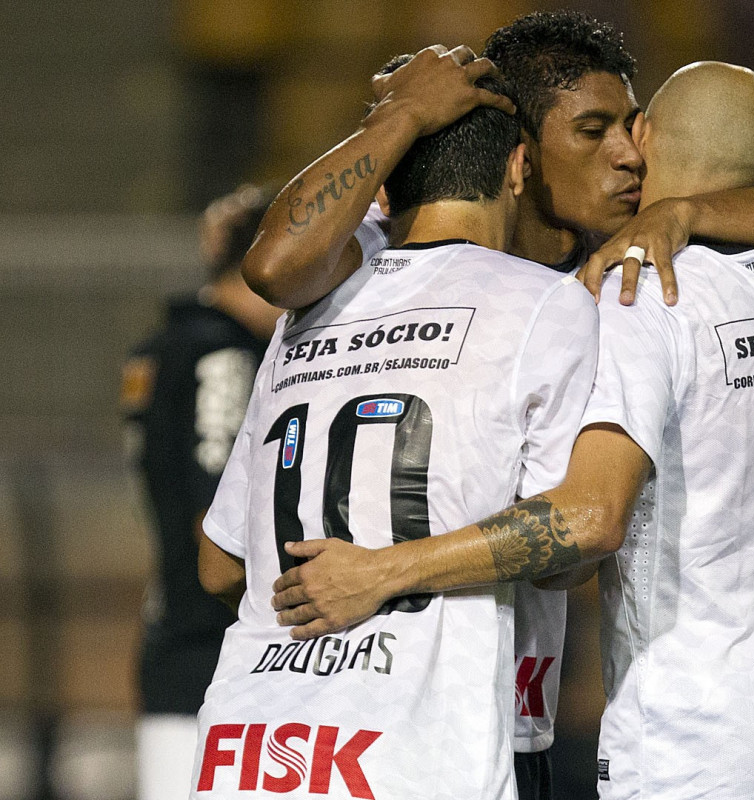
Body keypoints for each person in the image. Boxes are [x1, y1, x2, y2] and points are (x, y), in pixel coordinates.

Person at [242, 11, 754, 799]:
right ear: (521, 159)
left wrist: (690, 211)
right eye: (594, 131)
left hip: (510, 720)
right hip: (375, 708)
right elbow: (274, 266)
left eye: (632, 128)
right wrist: (399, 117)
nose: (629, 155)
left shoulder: (625, 270)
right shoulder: (395, 256)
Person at [192, 59, 598, 800]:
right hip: (421, 740)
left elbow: (221, 567)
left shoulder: (307, 315)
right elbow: (566, 550)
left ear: (383, 184)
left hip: (257, 744)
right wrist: (385, 576)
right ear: (518, 168)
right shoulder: (548, 302)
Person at [120, 184, 281, 800]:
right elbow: (214, 517)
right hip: (217, 659)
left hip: (172, 640)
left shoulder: (159, 348)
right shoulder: (222, 355)